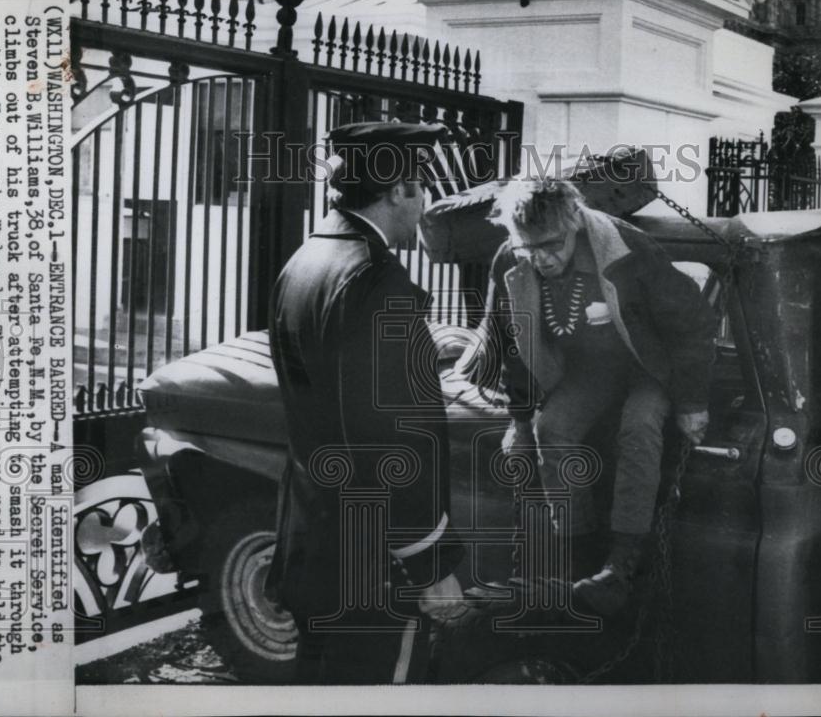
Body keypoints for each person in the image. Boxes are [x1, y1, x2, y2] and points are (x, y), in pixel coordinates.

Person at [265, 121, 465, 684]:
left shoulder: (305, 260)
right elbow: (389, 437)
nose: (424, 203)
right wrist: (428, 566)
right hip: (374, 562)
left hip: (316, 538)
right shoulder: (377, 280)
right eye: (420, 188)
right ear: (398, 190)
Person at [474, 177, 715, 617]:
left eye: (549, 245)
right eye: (528, 248)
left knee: (640, 426)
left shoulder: (627, 248)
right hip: (587, 371)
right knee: (553, 429)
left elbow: (693, 320)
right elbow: (511, 342)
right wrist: (521, 419)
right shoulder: (512, 255)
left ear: (575, 223)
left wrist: (693, 402)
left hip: (650, 365)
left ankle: (621, 566)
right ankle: (580, 562)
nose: (539, 259)